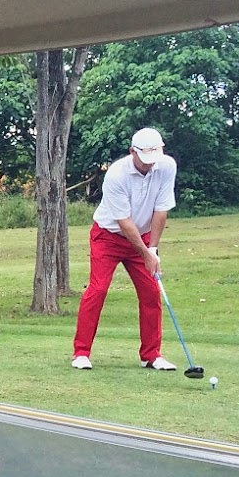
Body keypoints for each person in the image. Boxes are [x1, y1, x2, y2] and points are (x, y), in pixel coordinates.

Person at [71, 126, 179, 371]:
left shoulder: (166, 166)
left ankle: (151, 355)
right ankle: (81, 352)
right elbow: (124, 221)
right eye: (145, 159)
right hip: (108, 237)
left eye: (154, 158)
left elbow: (161, 210)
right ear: (132, 151)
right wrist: (145, 252)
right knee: (98, 289)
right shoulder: (116, 174)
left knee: (151, 292)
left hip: (143, 238)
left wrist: (153, 250)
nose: (150, 165)